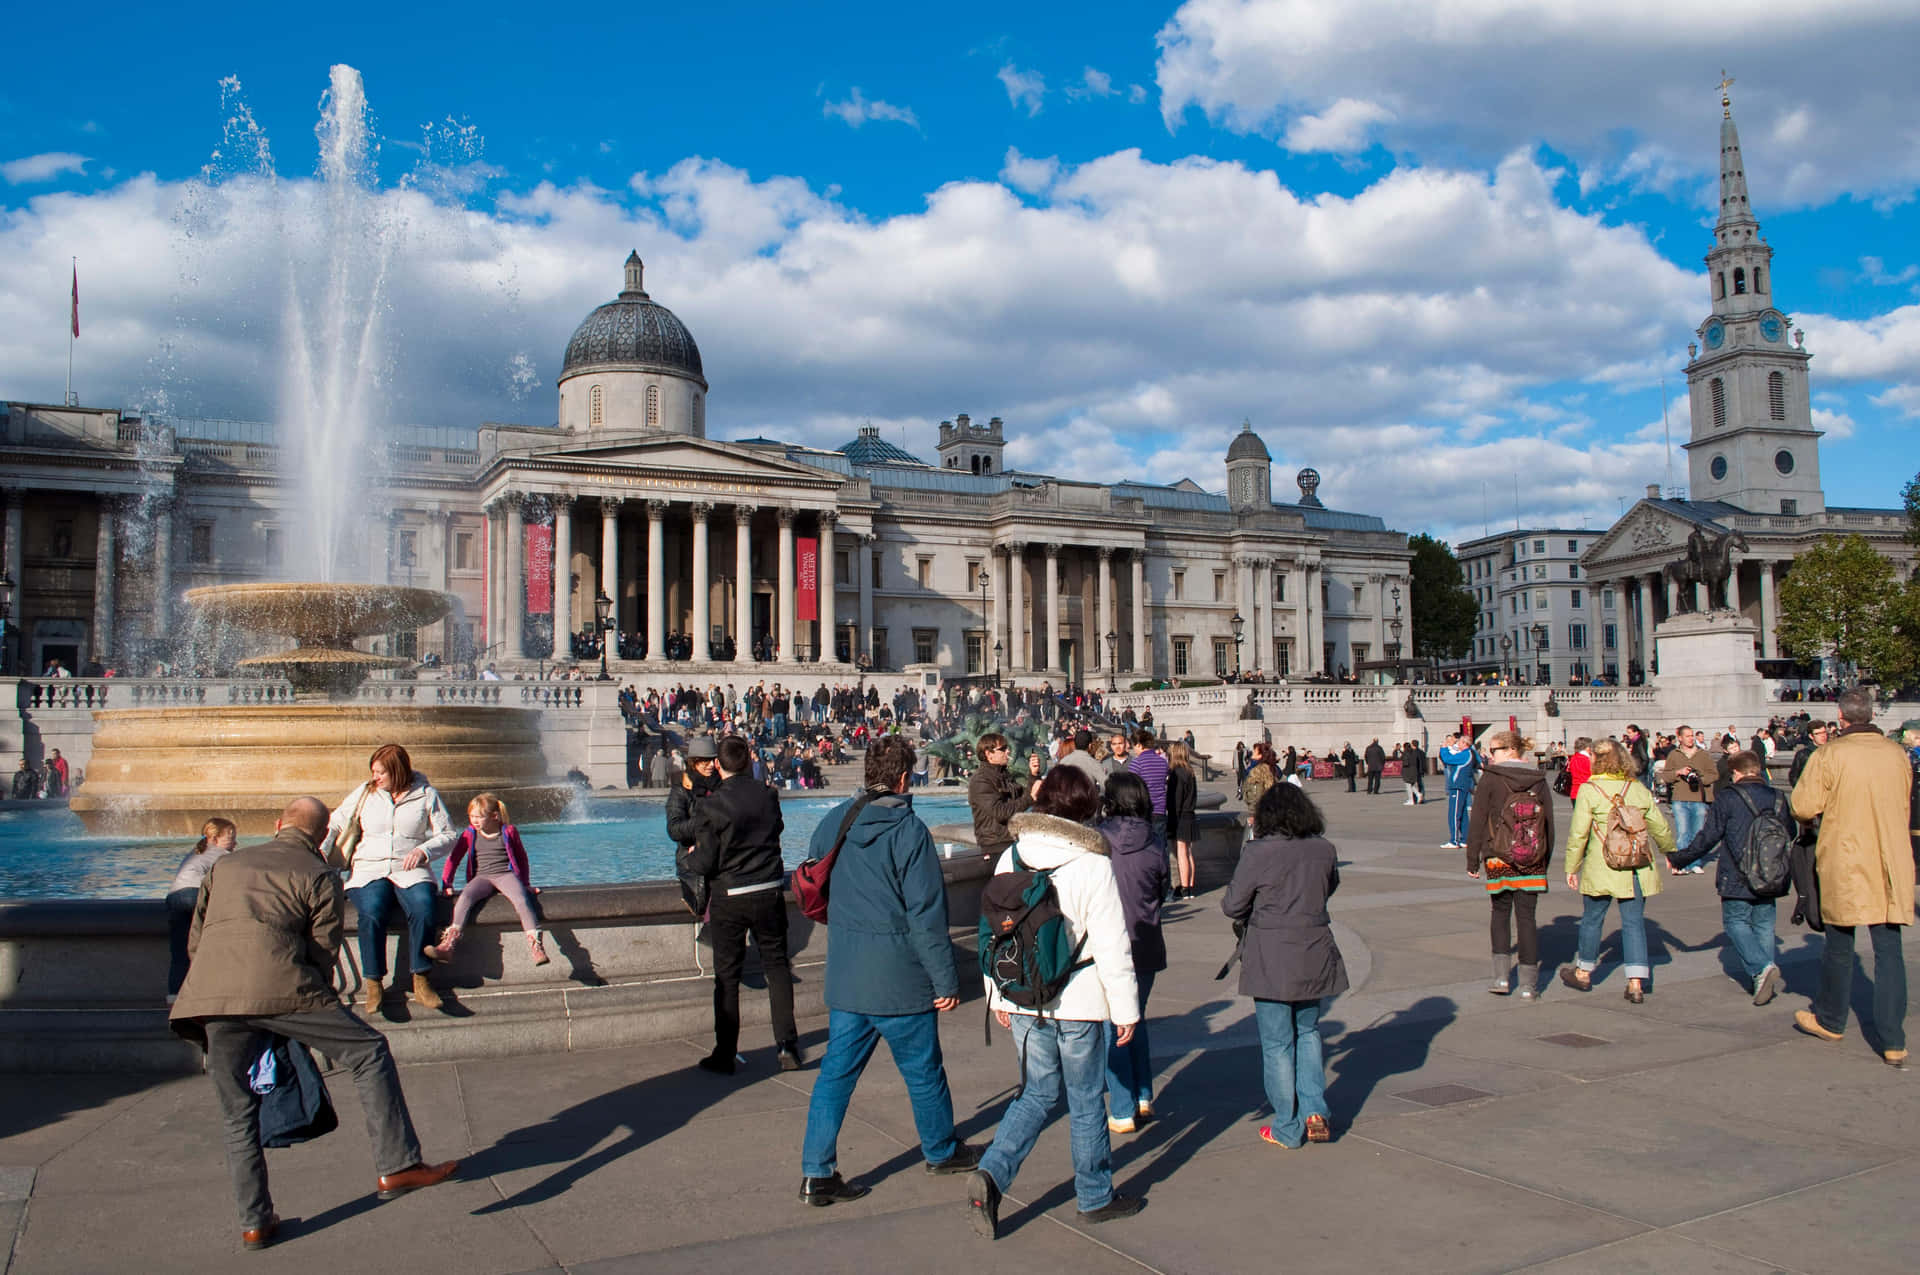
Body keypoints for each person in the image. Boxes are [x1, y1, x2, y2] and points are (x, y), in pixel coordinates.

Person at [170, 797, 459, 1251]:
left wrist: (218, 988)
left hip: (213, 994)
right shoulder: (319, 873)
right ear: (324, 835)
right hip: (285, 985)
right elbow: (323, 950)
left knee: (237, 1108)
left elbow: (197, 938)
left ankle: (254, 1222)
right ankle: (398, 1164)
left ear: (277, 824)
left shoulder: (226, 866)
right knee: (368, 1052)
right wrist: (308, 1008)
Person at [798, 736, 979, 1206]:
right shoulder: (909, 830)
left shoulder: (836, 819)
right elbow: (926, 914)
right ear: (903, 778)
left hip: (848, 973)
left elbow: (815, 870)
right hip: (900, 977)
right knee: (922, 1071)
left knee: (835, 1075)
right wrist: (945, 979)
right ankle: (940, 1150)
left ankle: (816, 1173)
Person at [967, 766, 1142, 1240]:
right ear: (1085, 807)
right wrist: (1125, 1009)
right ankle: (1095, 1197)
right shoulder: (1092, 863)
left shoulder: (1012, 856)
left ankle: (992, 1174)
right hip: (1079, 1000)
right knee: (1085, 1100)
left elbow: (993, 933)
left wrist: (996, 994)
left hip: (1024, 995)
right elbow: (1112, 943)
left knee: (1035, 1094)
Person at [1789, 688, 1913, 1066]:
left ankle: (1831, 1019)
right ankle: (1893, 1039)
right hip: (1890, 857)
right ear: (1871, 714)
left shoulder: (1830, 754)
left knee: (1840, 945)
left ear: (1841, 718)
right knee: (1889, 947)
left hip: (1847, 855)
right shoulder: (1896, 753)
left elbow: (1802, 805)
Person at [1223, 783, 1347, 1149]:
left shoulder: (1258, 851)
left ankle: (1287, 1126)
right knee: (1308, 1032)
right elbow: (1329, 887)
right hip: (1313, 948)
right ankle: (1315, 1111)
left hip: (1271, 954)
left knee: (1277, 1043)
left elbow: (1232, 905)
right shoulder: (1324, 849)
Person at [688, 734, 799, 1073]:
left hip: (731, 896)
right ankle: (787, 1046)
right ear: (749, 759)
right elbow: (777, 828)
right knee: (777, 967)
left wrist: (691, 858)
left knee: (727, 976)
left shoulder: (712, 805)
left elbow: (705, 862)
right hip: (768, 890)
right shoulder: (768, 794)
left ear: (718, 765)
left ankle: (725, 1053)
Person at [324, 744, 457, 1013]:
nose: (375, 777)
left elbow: (448, 834)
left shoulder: (426, 794)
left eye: (381, 773)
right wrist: (321, 852)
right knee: (372, 911)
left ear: (397, 771)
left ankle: (421, 978)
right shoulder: (365, 792)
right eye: (373, 772)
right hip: (369, 867)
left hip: (410, 868)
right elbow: (335, 822)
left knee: (424, 907)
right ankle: (374, 982)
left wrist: (424, 850)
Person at [1669, 751, 1790, 1005]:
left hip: (1737, 872)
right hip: (1770, 872)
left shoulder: (1728, 797)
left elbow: (1709, 836)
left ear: (1735, 772)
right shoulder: (1778, 797)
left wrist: (1680, 858)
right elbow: (1790, 831)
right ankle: (1763, 976)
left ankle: (1761, 968)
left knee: (1736, 921)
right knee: (1764, 924)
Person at [1560, 739, 1675, 1003]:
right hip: (1636, 865)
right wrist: (1670, 852)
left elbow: (1579, 833)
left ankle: (1584, 972)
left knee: (1592, 919)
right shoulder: (1637, 788)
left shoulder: (1590, 789)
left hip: (1602, 864)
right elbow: (1659, 825)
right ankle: (1636, 982)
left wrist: (1572, 867)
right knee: (1633, 922)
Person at [1094, 772, 1168, 1134]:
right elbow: (1162, 889)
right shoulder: (1155, 843)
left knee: (1114, 1026)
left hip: (1109, 944)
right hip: (1146, 939)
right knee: (1136, 1018)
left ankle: (1122, 1108)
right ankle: (1142, 1096)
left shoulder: (1098, 840)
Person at [1465, 732, 1552, 998]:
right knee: (1527, 918)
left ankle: (1502, 979)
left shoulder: (1491, 778)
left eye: (1494, 750)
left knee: (1500, 913)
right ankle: (1528, 986)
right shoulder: (1538, 778)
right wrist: (1544, 858)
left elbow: (1478, 820)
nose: (1490, 756)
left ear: (1511, 749)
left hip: (1497, 853)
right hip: (1532, 856)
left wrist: (1473, 858)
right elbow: (1548, 823)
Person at [427, 793, 546, 966]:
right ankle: (448, 945)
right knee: (465, 897)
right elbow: (454, 859)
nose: (474, 821)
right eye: (471, 816)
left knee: (521, 900)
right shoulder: (469, 834)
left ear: (494, 816)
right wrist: (447, 884)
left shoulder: (509, 831)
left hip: (505, 875)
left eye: (479, 817)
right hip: (481, 877)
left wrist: (525, 884)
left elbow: (521, 858)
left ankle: (536, 946)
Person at [166, 816, 238, 1001]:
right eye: (230, 838)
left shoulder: (196, 852)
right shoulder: (223, 855)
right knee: (207, 947)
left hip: (174, 897)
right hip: (196, 895)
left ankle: (174, 997)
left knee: (179, 952)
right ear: (214, 839)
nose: (235, 843)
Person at [967, 732, 1039, 861]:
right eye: (1003, 749)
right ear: (989, 754)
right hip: (995, 846)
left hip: (1011, 841)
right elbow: (1000, 812)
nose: (1008, 751)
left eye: (1007, 748)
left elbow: (1024, 797)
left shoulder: (1004, 775)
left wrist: (1033, 775)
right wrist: (1030, 799)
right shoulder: (981, 780)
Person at [1660, 725, 1715, 873]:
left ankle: (1695, 862)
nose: (1691, 738)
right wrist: (1678, 772)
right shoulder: (1674, 755)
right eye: (1688, 736)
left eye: (1692, 735)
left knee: (1698, 833)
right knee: (1683, 833)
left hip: (1699, 799)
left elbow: (1714, 774)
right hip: (1680, 799)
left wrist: (1699, 779)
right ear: (1680, 738)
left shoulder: (1703, 754)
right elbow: (1666, 776)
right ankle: (1682, 863)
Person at [1163, 740, 1199, 901]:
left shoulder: (1176, 773)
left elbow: (1176, 800)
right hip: (1190, 814)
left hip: (1179, 816)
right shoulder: (1190, 772)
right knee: (1188, 852)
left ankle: (1184, 887)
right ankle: (1190, 886)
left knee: (1181, 852)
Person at [1127, 730, 1170, 840]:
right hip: (1160, 809)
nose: (1134, 749)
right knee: (1160, 844)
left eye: (1134, 746)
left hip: (1143, 810)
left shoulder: (1136, 763)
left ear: (1139, 745)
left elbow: (1131, 789)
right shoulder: (1163, 762)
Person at [1438, 733, 1478, 850]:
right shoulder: (1467, 753)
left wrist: (1444, 748)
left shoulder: (1465, 754)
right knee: (1462, 814)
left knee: (1454, 814)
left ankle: (1454, 840)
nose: (1457, 744)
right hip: (1462, 785)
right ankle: (1465, 839)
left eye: (1459, 742)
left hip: (1458, 786)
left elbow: (1448, 759)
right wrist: (1449, 746)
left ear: (1465, 743)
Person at [1240, 741, 1282, 822]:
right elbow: (1279, 774)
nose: (1252, 753)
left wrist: (1253, 813)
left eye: (1255, 751)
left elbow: (1256, 793)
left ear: (1260, 755)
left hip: (1260, 811)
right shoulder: (1269, 766)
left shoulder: (1257, 770)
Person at [1566, 737, 1593, 801]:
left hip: (1575, 792)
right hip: (1587, 792)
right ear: (1587, 748)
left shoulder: (1573, 758)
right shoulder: (1588, 760)